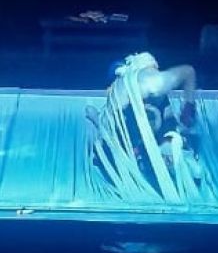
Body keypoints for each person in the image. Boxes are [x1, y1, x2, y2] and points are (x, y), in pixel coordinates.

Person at [86, 52, 202, 203]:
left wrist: (188, 109)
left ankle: (168, 156)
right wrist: (188, 106)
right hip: (136, 115)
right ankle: (163, 155)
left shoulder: (135, 88)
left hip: (141, 107)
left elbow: (106, 127)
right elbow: (189, 71)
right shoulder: (129, 91)